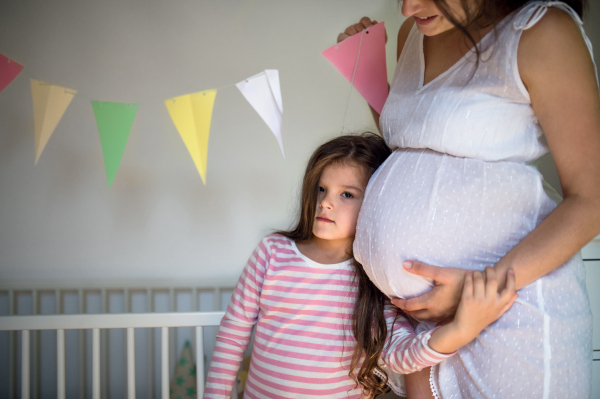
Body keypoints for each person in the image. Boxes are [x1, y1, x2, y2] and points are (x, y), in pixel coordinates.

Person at [340, 1, 600, 398]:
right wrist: (369, 76)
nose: (409, 8)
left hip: (511, 309)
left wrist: (479, 288)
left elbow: (591, 200)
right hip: (425, 324)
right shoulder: (415, 34)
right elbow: (415, 141)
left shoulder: (542, 31)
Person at [203, 133, 399, 398]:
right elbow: (233, 334)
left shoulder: (376, 273)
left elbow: (401, 350)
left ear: (376, 204)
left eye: (346, 194)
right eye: (321, 188)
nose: (325, 202)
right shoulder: (271, 252)